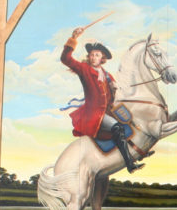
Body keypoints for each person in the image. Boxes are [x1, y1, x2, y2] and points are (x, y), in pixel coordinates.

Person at [60, 26, 143, 173]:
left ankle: (139, 151)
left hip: (107, 110)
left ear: (102, 58)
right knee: (117, 127)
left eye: (96, 55)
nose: (93, 57)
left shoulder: (106, 74)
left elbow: (113, 93)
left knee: (130, 120)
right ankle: (129, 164)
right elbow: (65, 59)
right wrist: (73, 38)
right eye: (91, 55)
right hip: (94, 114)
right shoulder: (84, 69)